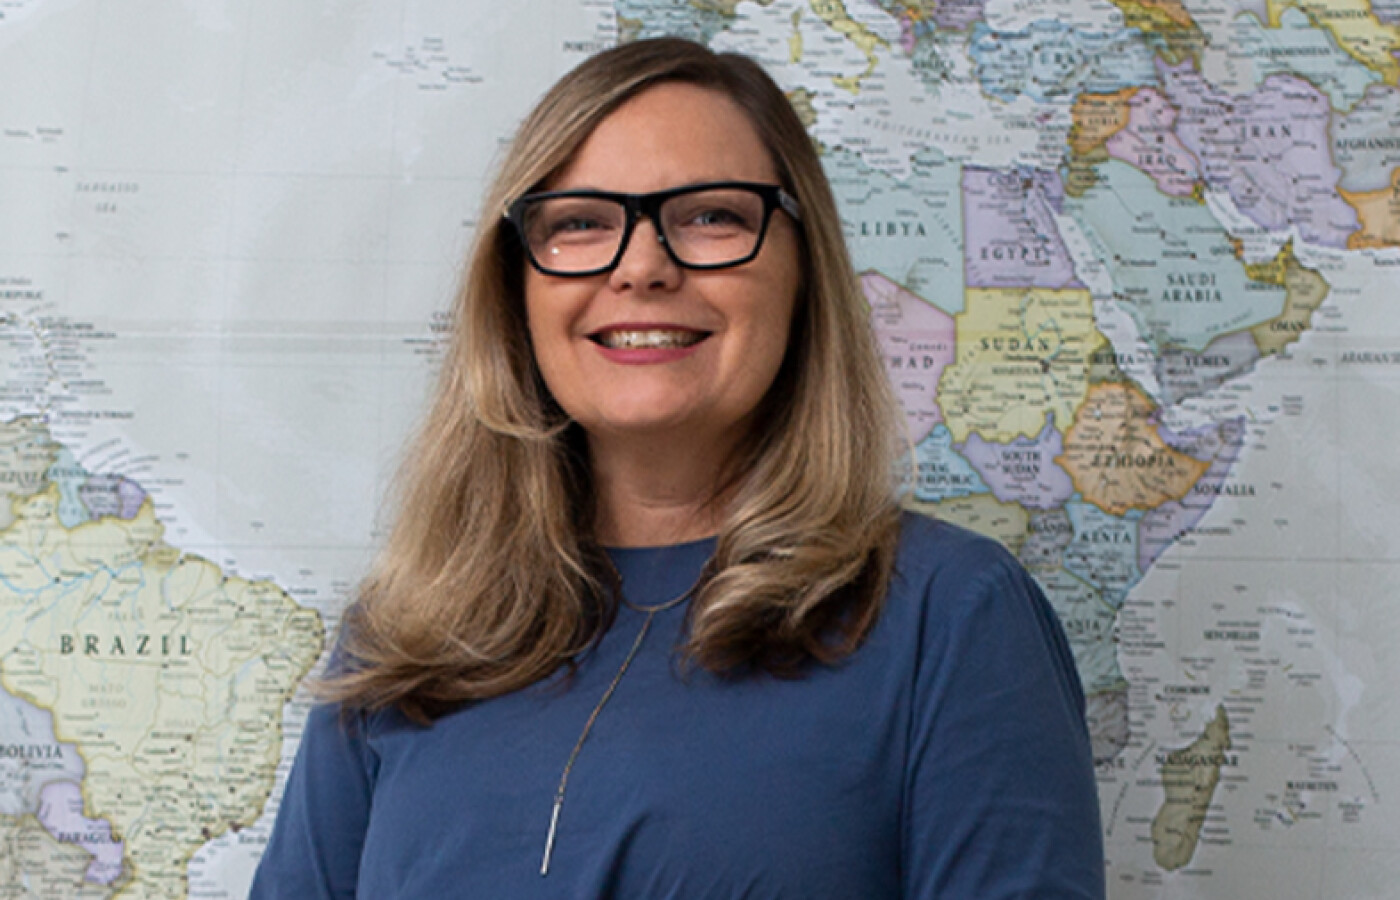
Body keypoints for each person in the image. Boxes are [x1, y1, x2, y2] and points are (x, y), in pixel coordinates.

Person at [250, 37, 1104, 899]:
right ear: (515, 289)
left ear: (804, 275)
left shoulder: (950, 618)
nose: (642, 266)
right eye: (580, 221)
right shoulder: (407, 630)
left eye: (711, 216)